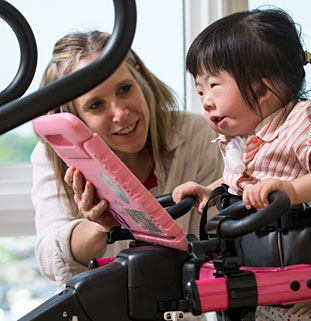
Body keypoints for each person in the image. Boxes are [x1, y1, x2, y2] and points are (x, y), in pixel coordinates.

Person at [30, 29, 223, 308]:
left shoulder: (198, 136)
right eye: (96, 105)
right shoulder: (53, 155)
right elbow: (50, 258)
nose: (120, 113)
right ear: (73, 117)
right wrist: (97, 225)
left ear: (140, 77)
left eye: (125, 89)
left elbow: (207, 249)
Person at [172, 7, 311, 321]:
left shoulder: (299, 123)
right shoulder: (240, 140)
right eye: (199, 90)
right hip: (262, 291)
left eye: (214, 86)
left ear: (261, 89)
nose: (205, 100)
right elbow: (239, 185)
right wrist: (211, 191)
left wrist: (292, 190)